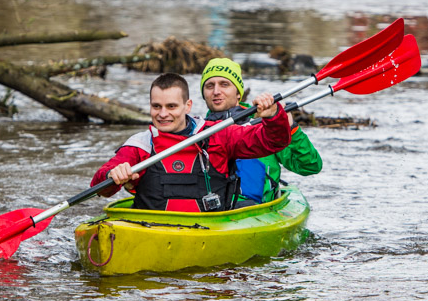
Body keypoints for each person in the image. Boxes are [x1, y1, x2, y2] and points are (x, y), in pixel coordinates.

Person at [91, 72, 291, 212]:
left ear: (188, 106)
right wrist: (112, 175)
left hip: (210, 232)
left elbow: (274, 142)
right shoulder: (141, 144)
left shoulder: (218, 135)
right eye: (156, 106)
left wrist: (273, 115)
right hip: (153, 230)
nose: (162, 114)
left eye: (171, 106)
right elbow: (101, 186)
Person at [200, 58, 322, 204]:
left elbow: (310, 166)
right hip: (216, 212)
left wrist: (291, 128)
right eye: (209, 86)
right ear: (204, 94)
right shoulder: (197, 131)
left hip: (259, 210)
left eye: (224, 84)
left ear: (238, 93)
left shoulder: (267, 127)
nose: (216, 91)